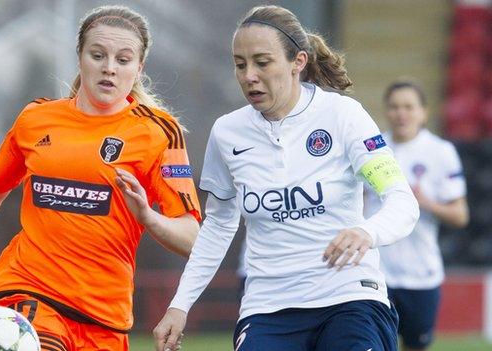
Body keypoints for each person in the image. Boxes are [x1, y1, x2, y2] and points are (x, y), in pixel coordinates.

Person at [0, 6, 201, 351]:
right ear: (80, 57)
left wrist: (148, 218)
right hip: (30, 290)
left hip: (105, 315)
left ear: (138, 68)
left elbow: (191, 239)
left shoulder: (158, 132)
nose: (109, 67)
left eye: (123, 60)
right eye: (98, 55)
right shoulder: (36, 119)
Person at [154, 5, 420, 351]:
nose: (249, 75)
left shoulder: (343, 116)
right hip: (268, 308)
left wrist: (368, 231)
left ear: (298, 62)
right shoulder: (227, 133)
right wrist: (180, 304)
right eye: (240, 64)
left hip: (350, 298)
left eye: (262, 63)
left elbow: (402, 201)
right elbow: (219, 226)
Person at [364, 80, 469, 351]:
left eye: (409, 107)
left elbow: (460, 215)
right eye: (395, 107)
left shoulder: (440, 152)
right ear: (386, 111)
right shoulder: (371, 149)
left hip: (421, 273)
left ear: (424, 112)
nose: (401, 113)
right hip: (376, 271)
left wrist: (426, 203)